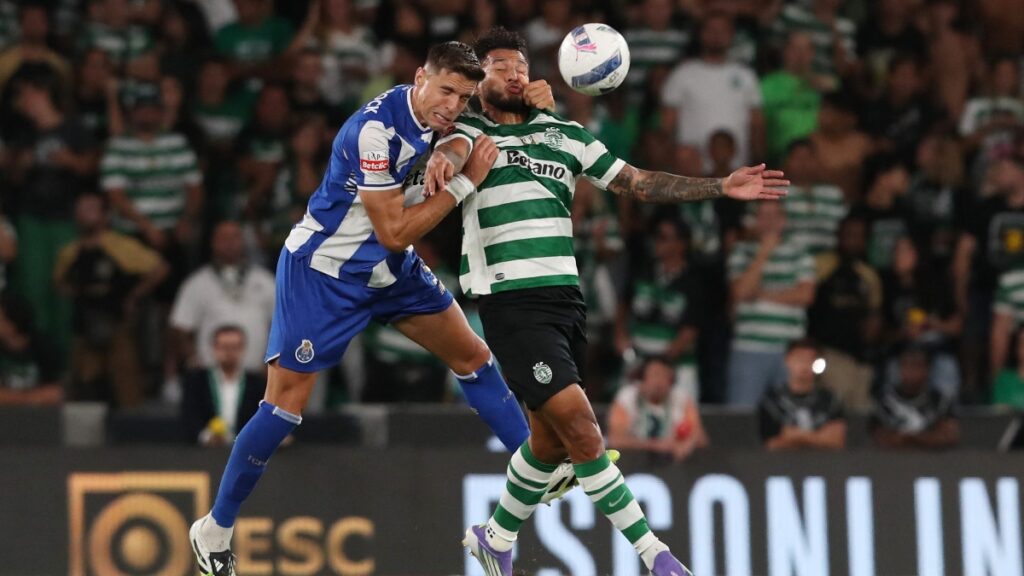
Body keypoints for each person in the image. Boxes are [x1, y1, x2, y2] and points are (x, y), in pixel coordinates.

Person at [188, 41, 564, 576]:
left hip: (391, 271)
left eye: (461, 96)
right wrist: (462, 180)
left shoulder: (448, 109)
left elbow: (488, 118)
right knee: (284, 407)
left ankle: (536, 465)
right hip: (326, 272)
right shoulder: (373, 133)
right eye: (446, 92)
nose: (452, 106)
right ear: (418, 78)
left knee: (473, 356)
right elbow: (391, 231)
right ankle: (215, 530)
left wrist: (534, 102)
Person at [425, 27, 786, 576]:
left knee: (548, 443)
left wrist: (720, 186)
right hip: (510, 302)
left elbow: (638, 182)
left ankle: (494, 537)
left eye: (520, 64)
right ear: (478, 81)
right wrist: (445, 161)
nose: (514, 73)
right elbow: (447, 149)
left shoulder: (565, 133)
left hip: (566, 301)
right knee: (584, 429)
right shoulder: (467, 132)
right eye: (499, 65)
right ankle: (655, 557)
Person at [54, 193, 168, 407]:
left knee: (126, 383)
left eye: (92, 208)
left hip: (117, 324)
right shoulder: (70, 251)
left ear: (106, 215)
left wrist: (134, 295)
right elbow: (59, 282)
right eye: (82, 208)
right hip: (84, 327)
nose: (86, 213)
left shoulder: (121, 246)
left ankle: (132, 429)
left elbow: (159, 269)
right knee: (83, 385)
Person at [727, 200, 816, 406]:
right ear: (754, 220)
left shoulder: (800, 252)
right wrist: (764, 252)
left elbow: (805, 295)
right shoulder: (742, 251)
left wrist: (761, 294)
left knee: (792, 412)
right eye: (763, 216)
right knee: (742, 414)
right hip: (749, 347)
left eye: (774, 216)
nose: (769, 222)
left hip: (791, 350)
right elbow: (740, 292)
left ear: (783, 220)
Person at [169, 221, 276, 390]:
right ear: (213, 242)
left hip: (257, 376)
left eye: (234, 237)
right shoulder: (196, 283)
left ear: (243, 241)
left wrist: (273, 364)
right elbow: (180, 328)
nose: (230, 243)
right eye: (223, 238)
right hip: (211, 379)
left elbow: (282, 326)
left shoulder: (266, 281)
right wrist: (193, 361)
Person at [607, 356, 708, 462]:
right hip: (633, 463)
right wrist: (656, 445)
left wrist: (687, 443)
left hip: (673, 464)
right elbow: (615, 439)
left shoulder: (681, 400)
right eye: (655, 375)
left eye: (665, 376)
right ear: (643, 378)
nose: (659, 382)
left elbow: (699, 437)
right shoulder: (627, 398)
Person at [180, 325, 265, 446]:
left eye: (235, 347)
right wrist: (206, 437)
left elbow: (261, 419)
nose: (229, 352)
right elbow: (190, 416)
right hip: (204, 453)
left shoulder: (257, 383)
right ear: (214, 348)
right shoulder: (197, 381)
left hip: (246, 451)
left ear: (243, 349)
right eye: (224, 347)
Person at [759, 338, 846, 451]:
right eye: (799, 359)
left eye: (810, 359)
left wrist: (797, 436)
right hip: (782, 466)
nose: (804, 365)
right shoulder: (771, 401)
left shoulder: (830, 400)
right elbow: (772, 444)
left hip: (825, 465)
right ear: (787, 360)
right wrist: (819, 437)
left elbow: (836, 441)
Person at [872, 346, 960, 450]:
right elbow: (879, 439)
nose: (910, 372)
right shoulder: (885, 401)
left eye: (916, 366)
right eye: (906, 365)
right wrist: (926, 437)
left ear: (927, 369)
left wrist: (911, 438)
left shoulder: (940, 400)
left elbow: (949, 437)